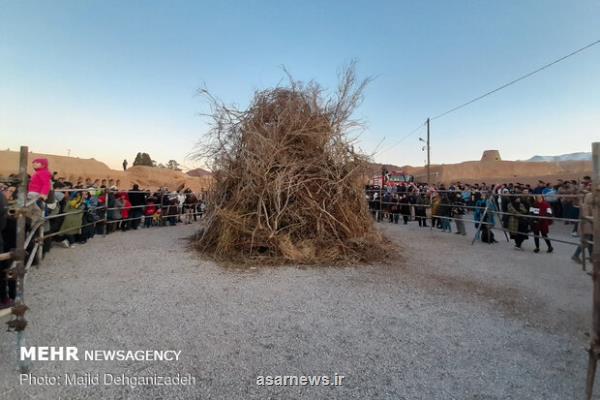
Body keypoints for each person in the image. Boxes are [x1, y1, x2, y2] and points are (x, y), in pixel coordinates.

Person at [573, 180, 593, 264]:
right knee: (586, 241)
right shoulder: (588, 202)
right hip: (587, 223)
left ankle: (592, 257)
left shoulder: (587, 197)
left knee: (591, 240)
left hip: (589, 223)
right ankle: (576, 255)